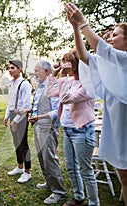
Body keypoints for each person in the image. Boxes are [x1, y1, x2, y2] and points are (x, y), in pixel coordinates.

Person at [65, 3, 127, 204]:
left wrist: (83, 22)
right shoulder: (110, 64)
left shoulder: (124, 60)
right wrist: (75, 27)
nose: (110, 38)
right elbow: (84, 57)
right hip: (118, 129)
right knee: (125, 178)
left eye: (115, 35)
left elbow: (103, 49)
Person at [46, 50, 99, 206]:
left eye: (66, 62)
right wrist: (54, 74)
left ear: (76, 64)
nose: (63, 65)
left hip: (82, 131)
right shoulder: (68, 82)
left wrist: (62, 77)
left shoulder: (88, 84)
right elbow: (49, 93)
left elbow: (66, 98)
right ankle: (79, 198)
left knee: (85, 170)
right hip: (68, 130)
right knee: (71, 167)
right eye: (62, 62)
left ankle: (94, 203)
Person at [28, 60, 67, 204]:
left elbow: (57, 111)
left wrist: (40, 117)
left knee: (49, 158)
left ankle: (58, 191)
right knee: (41, 157)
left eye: (37, 70)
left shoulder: (54, 86)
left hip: (49, 128)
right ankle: (49, 182)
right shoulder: (39, 87)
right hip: (38, 126)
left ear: (46, 71)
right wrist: (33, 116)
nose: (35, 73)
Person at [3, 60, 32, 184]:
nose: (10, 70)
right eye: (9, 68)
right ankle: (20, 167)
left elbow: (25, 105)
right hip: (12, 115)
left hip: (21, 115)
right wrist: (6, 116)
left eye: (12, 68)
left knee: (23, 144)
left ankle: (27, 172)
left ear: (20, 69)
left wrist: (15, 120)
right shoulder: (11, 84)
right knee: (16, 142)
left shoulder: (25, 84)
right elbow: (10, 102)